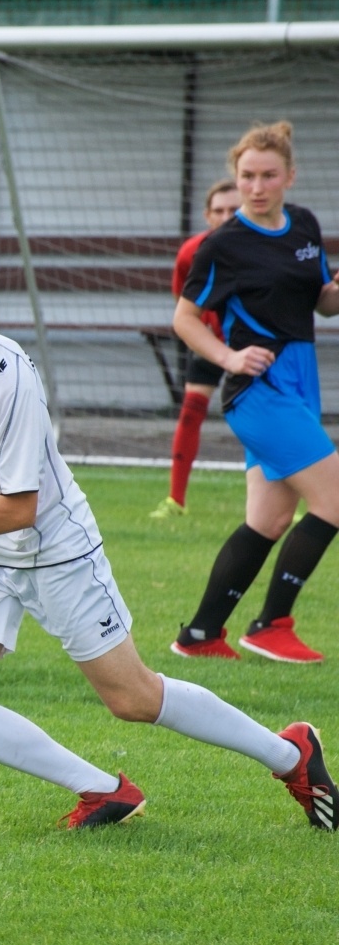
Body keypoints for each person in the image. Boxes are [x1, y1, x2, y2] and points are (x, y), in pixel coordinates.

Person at [0, 222, 333, 834]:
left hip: (54, 548)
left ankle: (291, 754)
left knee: (132, 698)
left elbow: (21, 506)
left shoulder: (9, 379)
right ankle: (103, 789)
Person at [170, 121, 339, 663]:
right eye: (247, 176)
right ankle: (270, 625)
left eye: (269, 175)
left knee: (267, 521)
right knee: (335, 500)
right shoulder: (223, 244)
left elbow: (323, 302)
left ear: (290, 176)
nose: (257, 186)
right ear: (235, 179)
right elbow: (185, 318)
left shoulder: (305, 226)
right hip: (258, 391)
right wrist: (227, 357)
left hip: (301, 379)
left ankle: (199, 636)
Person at [152, 178, 241, 519]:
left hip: (251, 346)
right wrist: (203, 332)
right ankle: (176, 501)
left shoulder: (261, 250)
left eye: (233, 209)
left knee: (259, 419)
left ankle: (281, 500)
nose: (226, 216)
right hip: (211, 342)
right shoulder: (192, 251)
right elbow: (182, 300)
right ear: (207, 216)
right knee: (191, 410)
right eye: (219, 210)